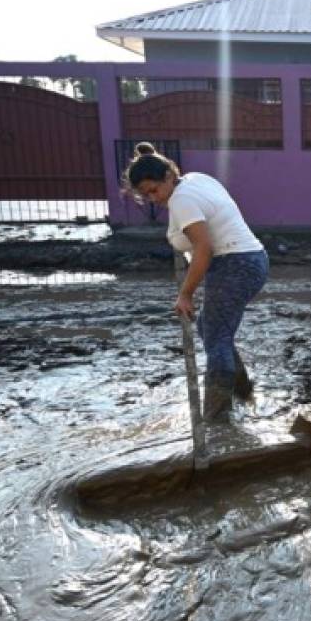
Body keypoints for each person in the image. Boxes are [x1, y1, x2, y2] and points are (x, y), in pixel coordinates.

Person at [123, 142, 268, 421]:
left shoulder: (182, 200)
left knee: (216, 339)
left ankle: (217, 420)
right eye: (145, 195)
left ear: (169, 176)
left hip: (234, 265)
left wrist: (185, 294)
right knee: (210, 329)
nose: (153, 198)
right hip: (250, 259)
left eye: (154, 190)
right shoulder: (196, 179)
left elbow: (203, 249)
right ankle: (242, 390)